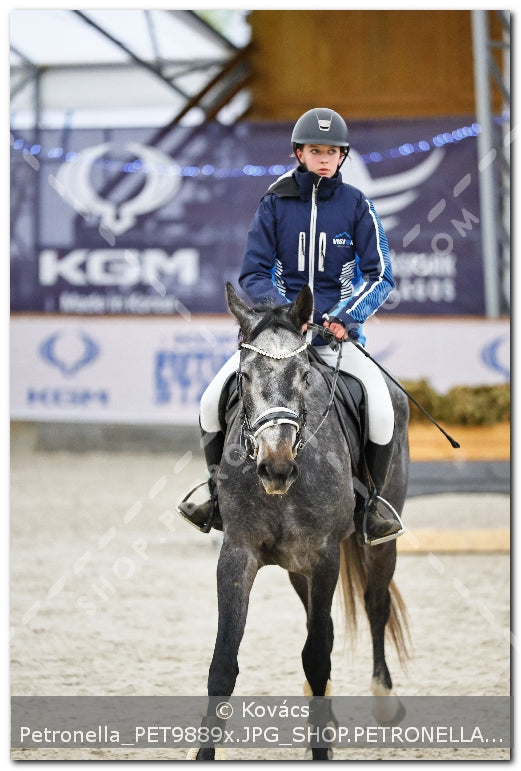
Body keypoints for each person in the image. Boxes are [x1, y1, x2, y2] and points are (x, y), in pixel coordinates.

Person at [178, 107, 403, 546]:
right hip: (279, 337)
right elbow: (254, 274)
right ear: (299, 153)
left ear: (342, 157)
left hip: (336, 338)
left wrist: (344, 317)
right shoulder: (274, 202)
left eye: (332, 151)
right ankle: (215, 491)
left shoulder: (358, 205)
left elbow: (381, 276)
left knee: (381, 407)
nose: (324, 158)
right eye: (315, 150)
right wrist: (286, 315)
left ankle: (371, 504)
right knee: (210, 401)